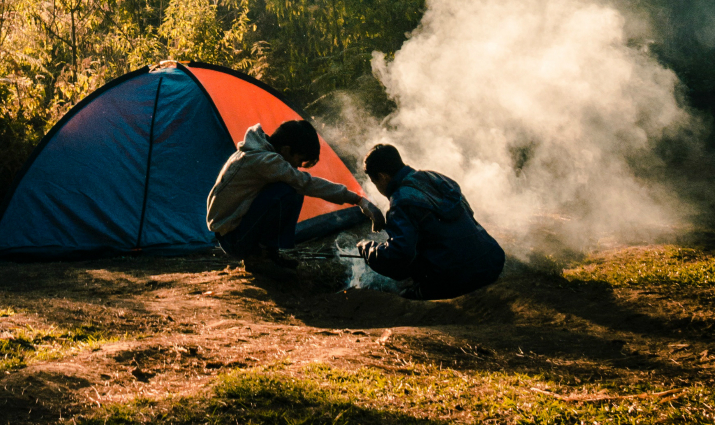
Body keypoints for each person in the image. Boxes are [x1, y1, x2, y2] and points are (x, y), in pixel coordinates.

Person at [207, 119, 386, 279]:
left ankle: (269, 253)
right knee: (288, 190)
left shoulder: (258, 152)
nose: (298, 167)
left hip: (233, 233)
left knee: (290, 187)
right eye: (300, 160)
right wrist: (358, 200)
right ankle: (258, 259)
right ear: (286, 150)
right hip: (234, 240)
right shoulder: (264, 161)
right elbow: (306, 183)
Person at [356, 144, 505, 299]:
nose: (378, 188)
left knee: (405, 294)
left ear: (383, 176)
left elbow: (398, 258)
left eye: (375, 182)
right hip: (491, 263)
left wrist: (367, 248)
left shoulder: (401, 201)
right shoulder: (435, 178)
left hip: (456, 279)